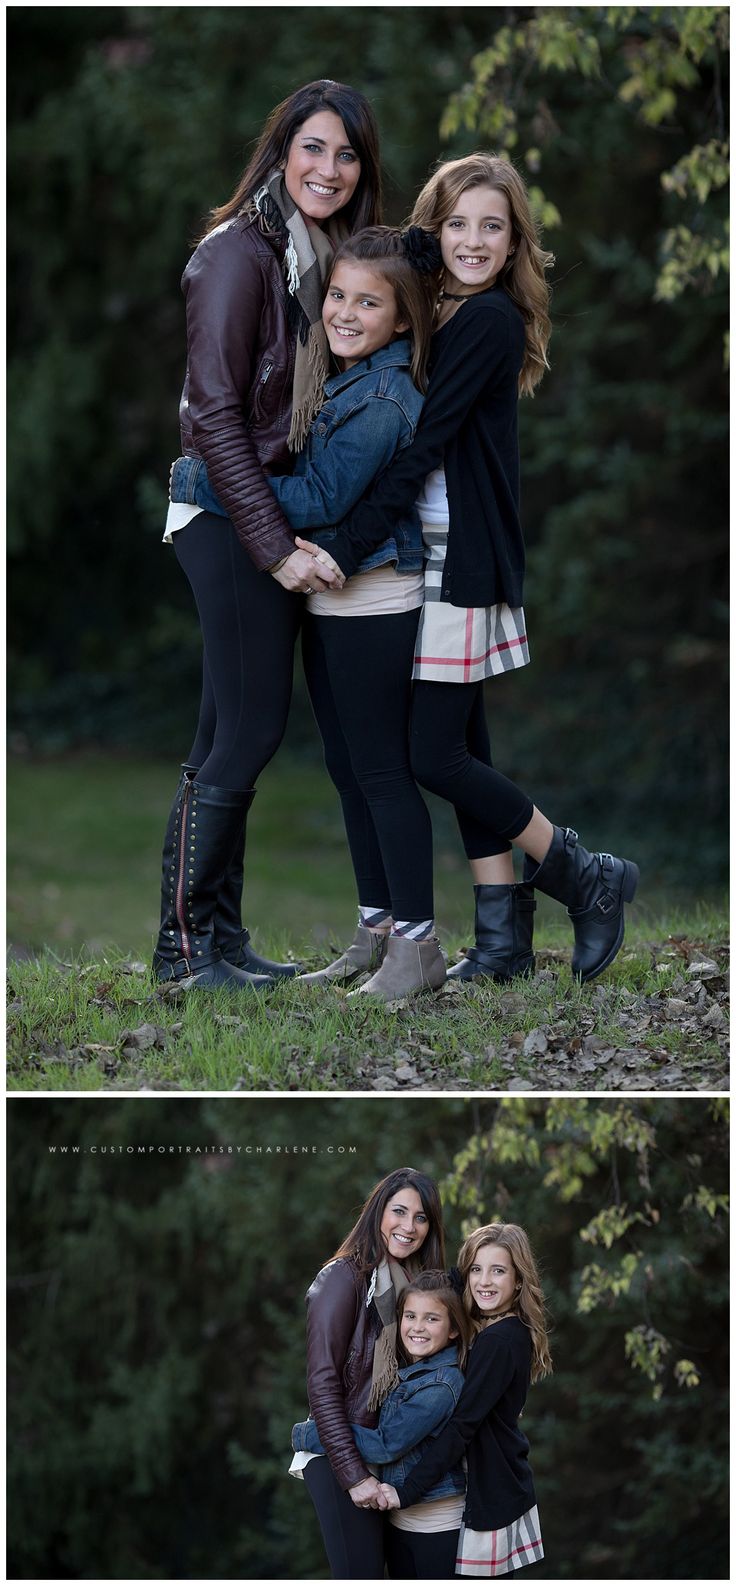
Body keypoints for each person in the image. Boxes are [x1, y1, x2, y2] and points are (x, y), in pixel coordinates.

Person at [322, 154, 639, 987]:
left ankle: (582, 873)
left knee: (434, 756)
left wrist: (346, 544)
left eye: (492, 227)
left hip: (463, 560)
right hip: (434, 556)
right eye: (458, 223)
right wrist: (420, 246)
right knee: (465, 744)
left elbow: (427, 446)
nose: (472, 240)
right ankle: (501, 943)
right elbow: (394, 248)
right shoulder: (449, 304)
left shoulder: (487, 322)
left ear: (515, 242)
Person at [151, 80, 381, 990]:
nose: (329, 169)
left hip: (266, 505)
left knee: (224, 731)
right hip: (226, 510)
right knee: (248, 729)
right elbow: (212, 412)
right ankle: (182, 951)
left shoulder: (320, 254)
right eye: (314, 148)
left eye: (347, 153)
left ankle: (218, 939)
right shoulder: (235, 257)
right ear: (281, 150)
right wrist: (274, 542)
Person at [371, 1222, 552, 1579]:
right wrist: (464, 1268)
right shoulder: (504, 1327)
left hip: (491, 1491)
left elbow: (461, 1427)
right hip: (504, 1483)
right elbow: (456, 1282)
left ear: (518, 1280)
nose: (484, 1281)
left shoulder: (496, 1342)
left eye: (498, 1271)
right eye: (476, 1270)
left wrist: (407, 1492)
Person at [289, 1169, 446, 1580]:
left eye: (421, 1217)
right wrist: (352, 1475)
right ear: (378, 1212)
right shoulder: (342, 1278)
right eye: (399, 1211)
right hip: (341, 1456)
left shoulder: (417, 1288)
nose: (408, 1227)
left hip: (390, 1458)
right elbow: (322, 1383)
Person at [292, 1269, 472, 1580]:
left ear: (454, 1329)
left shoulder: (440, 1386)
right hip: (402, 1522)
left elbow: (385, 1444)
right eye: (410, 1316)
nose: (417, 1327)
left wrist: (310, 1434)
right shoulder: (411, 1370)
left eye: (432, 1319)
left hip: (436, 1526)